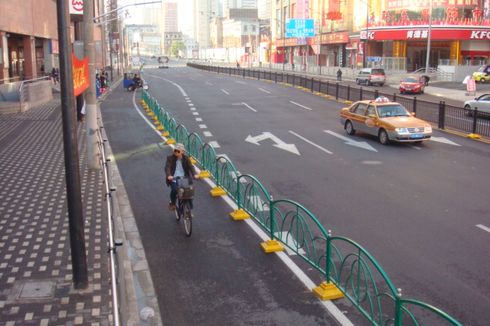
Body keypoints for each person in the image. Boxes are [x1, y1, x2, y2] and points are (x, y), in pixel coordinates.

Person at [165, 143, 199, 211]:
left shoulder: (186, 158)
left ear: (182, 152)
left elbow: (191, 167)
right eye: (175, 150)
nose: (176, 152)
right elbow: (167, 167)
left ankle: (189, 209)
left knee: (189, 191)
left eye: (178, 151)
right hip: (174, 178)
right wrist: (169, 175)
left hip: (184, 178)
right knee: (174, 190)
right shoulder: (170, 158)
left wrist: (194, 174)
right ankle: (173, 203)